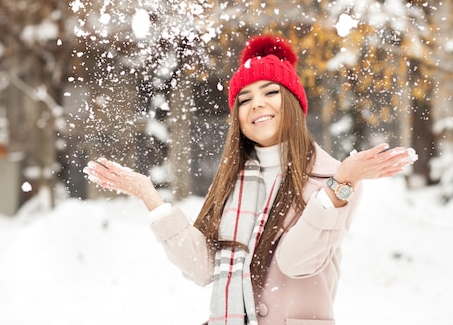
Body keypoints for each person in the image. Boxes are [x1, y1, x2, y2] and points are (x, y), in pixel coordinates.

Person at [84, 34, 418, 325]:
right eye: (244, 99)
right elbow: (203, 269)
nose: (256, 103)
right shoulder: (233, 184)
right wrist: (150, 198)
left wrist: (340, 182)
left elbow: (296, 262)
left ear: (291, 102)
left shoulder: (334, 181)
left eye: (270, 92)